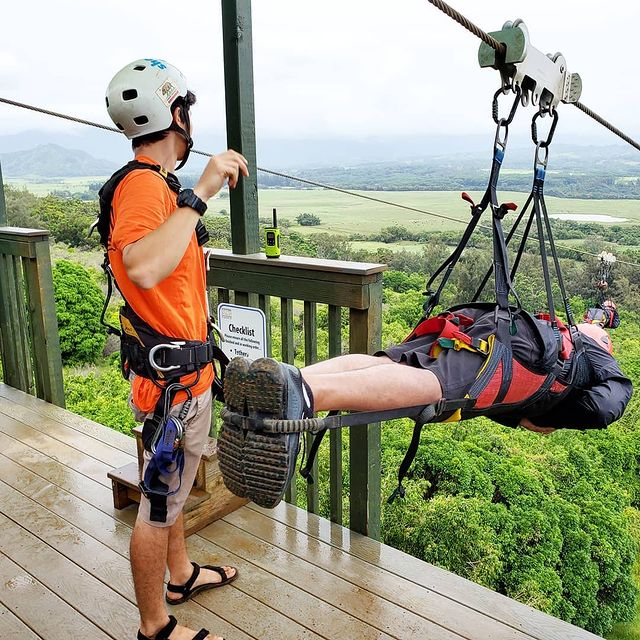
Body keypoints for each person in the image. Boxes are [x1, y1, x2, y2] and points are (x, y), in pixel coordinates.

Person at [103, 58, 248, 640]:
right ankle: (154, 626)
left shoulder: (158, 189)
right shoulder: (145, 186)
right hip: (171, 391)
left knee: (175, 489)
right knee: (157, 507)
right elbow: (140, 265)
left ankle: (181, 573)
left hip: (179, 383)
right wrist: (204, 192)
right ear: (175, 114)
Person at [219, 304, 632, 506]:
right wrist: (547, 418)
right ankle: (303, 396)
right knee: (432, 386)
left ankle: (286, 380)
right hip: (514, 352)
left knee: (389, 362)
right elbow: (605, 406)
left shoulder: (565, 329)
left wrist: (525, 415)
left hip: (479, 326)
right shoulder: (596, 355)